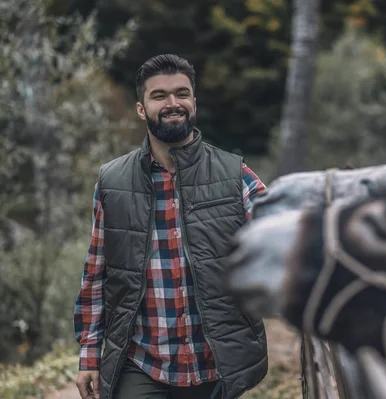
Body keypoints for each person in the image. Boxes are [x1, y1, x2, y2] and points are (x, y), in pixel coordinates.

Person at [73, 54, 268, 399]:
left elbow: (283, 240)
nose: (172, 103)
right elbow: (96, 274)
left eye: (181, 93)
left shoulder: (235, 175)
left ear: (194, 102)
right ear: (141, 108)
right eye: (159, 95)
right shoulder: (112, 182)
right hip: (142, 363)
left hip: (215, 363)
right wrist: (89, 356)